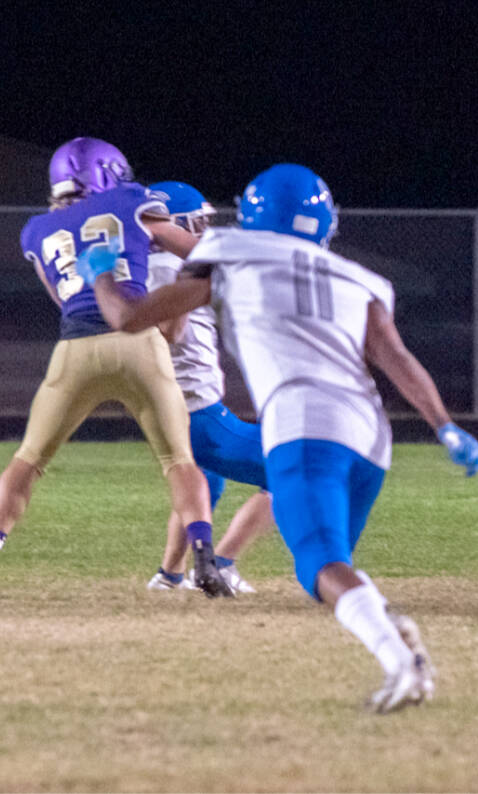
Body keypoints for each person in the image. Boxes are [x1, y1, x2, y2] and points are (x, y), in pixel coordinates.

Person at [81, 163, 478, 712]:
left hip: (305, 425)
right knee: (329, 571)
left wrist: (103, 271)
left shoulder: (231, 252)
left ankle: (401, 662)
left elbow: (130, 317)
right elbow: (396, 358)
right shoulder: (357, 276)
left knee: (320, 565)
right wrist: (445, 426)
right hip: (371, 439)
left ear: (253, 214)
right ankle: (388, 625)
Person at [0, 138, 230, 596]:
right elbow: (200, 253)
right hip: (138, 342)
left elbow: (62, 298)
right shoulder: (130, 200)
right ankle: (204, 558)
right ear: (108, 173)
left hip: (76, 347)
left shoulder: (37, 229)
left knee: (28, 460)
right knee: (179, 460)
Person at [143, 181, 272, 594]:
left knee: (204, 481)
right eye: (196, 222)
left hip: (177, 407)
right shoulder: (168, 267)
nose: (203, 231)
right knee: (295, 465)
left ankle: (169, 575)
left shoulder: (152, 266)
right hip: (197, 412)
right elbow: (172, 332)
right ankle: (223, 564)